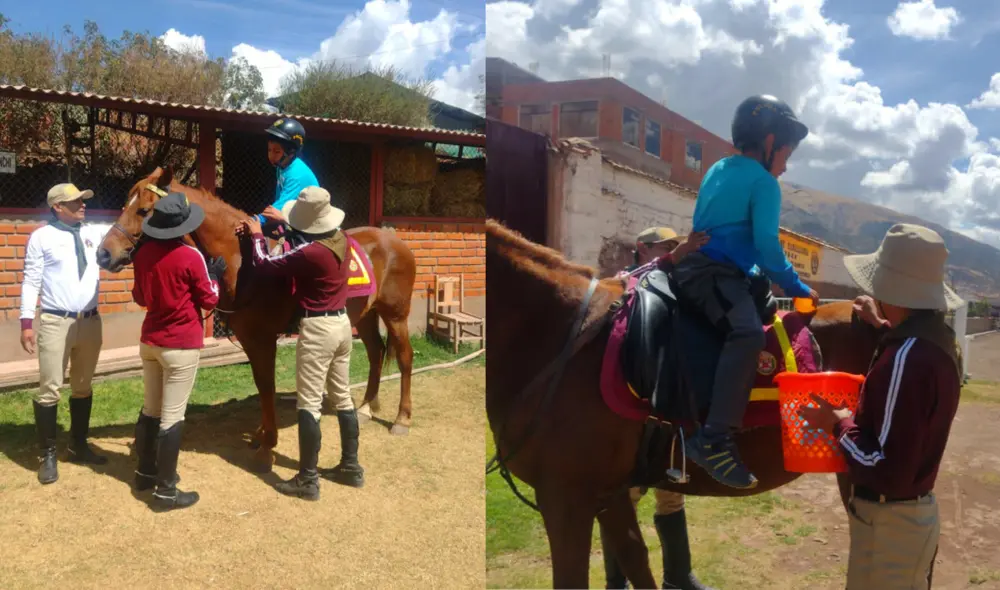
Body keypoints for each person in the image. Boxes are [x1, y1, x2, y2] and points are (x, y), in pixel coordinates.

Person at [798, 223, 962, 590]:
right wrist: (885, 324)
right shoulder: (936, 343)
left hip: (890, 523)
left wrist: (838, 422)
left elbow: (886, 468)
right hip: (905, 520)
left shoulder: (907, 359)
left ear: (893, 289)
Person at [671, 95, 819, 490]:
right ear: (770, 142)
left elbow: (729, 235)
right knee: (749, 333)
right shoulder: (764, 183)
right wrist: (799, 287)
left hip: (711, 270)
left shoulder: (718, 168)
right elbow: (769, 249)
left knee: (759, 305)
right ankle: (714, 438)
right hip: (715, 275)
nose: (786, 166)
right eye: (787, 153)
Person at [605, 226, 715, 590]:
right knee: (624, 503)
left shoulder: (676, 290)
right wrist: (678, 254)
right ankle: (616, 583)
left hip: (668, 414)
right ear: (642, 249)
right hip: (632, 415)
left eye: (674, 246)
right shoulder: (625, 282)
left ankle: (678, 576)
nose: (674, 253)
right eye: (665, 248)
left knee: (672, 497)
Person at [236, 185, 362, 501]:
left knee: (309, 403)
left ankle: (307, 480)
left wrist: (255, 234)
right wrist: (287, 224)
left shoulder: (310, 253)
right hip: (343, 325)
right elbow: (305, 236)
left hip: (318, 329)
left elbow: (265, 262)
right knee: (343, 397)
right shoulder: (342, 239)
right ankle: (350, 467)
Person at [130, 191, 225, 511]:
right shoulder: (190, 256)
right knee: (172, 416)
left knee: (150, 409)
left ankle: (144, 472)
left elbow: (140, 297)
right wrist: (214, 276)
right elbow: (210, 300)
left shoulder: (141, 255)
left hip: (150, 342)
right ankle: (166, 492)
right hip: (180, 344)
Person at [20, 183, 112, 485]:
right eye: (74, 202)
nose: (82, 205)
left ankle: (78, 445)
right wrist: (25, 323)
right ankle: (47, 453)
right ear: (57, 207)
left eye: (83, 201)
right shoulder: (41, 238)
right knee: (50, 387)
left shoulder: (94, 232)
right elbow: (31, 281)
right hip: (55, 322)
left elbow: (128, 230)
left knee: (83, 386)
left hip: (90, 322)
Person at [259, 118, 319, 230]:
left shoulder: (296, 175)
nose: (271, 156)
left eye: (277, 151)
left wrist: (256, 220)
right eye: (269, 150)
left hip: (311, 226)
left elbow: (278, 210)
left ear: (291, 152)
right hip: (296, 218)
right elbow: (279, 199)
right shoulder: (281, 166)